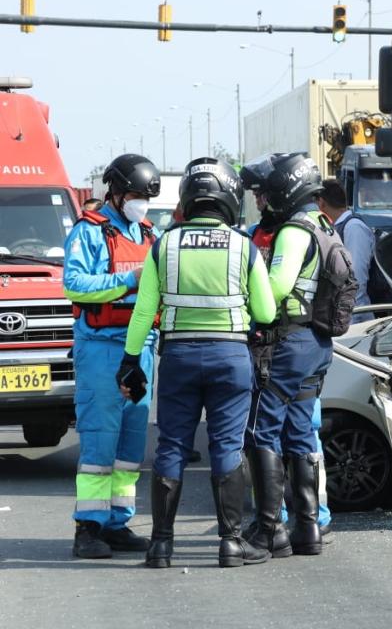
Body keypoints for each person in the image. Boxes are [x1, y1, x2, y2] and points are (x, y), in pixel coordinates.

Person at [118, 157, 277, 569]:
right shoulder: (243, 246)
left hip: (178, 359)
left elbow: (143, 312)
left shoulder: (164, 245)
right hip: (230, 359)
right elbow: (265, 309)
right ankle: (231, 544)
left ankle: (161, 546)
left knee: (171, 445)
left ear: (188, 200)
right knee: (226, 446)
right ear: (228, 200)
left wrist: (130, 359)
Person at [63, 154, 161, 559]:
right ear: (117, 194)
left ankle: (118, 522)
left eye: (148, 197)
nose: (143, 203)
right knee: (100, 441)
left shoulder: (148, 233)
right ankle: (88, 529)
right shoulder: (88, 232)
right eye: (138, 195)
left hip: (143, 348)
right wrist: (128, 279)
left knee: (130, 442)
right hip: (102, 347)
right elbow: (75, 285)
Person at [243, 153, 335, 557]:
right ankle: (308, 528)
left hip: (289, 341)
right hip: (317, 342)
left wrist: (245, 302)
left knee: (264, 430)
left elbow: (277, 287)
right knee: (300, 432)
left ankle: (269, 530)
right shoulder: (324, 224)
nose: (265, 199)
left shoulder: (294, 232)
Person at [316, 178, 375, 323]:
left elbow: (357, 280)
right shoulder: (335, 228)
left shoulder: (353, 228)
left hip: (356, 319)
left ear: (321, 203)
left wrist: (348, 319)